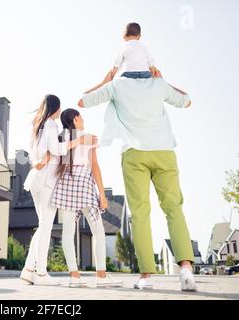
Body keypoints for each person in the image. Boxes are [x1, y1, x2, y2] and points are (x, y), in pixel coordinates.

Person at [78, 75, 198, 292]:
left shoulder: (115, 85)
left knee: (140, 213)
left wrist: (108, 76)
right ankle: (186, 269)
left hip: (134, 153)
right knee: (174, 209)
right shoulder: (159, 83)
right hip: (163, 151)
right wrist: (163, 79)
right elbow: (187, 100)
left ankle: (146, 277)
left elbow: (83, 100)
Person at [20, 94, 97, 286]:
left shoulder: (38, 125)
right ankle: (41, 273)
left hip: (36, 179)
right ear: (54, 108)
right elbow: (57, 149)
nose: (61, 111)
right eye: (60, 107)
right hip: (46, 181)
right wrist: (79, 141)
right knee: (46, 226)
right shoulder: (51, 125)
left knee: (42, 224)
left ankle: (29, 270)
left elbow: (40, 154)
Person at [51, 108, 124, 288]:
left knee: (67, 233)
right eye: (80, 116)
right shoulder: (88, 137)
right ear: (75, 119)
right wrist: (102, 194)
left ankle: (74, 277)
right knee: (97, 231)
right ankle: (101, 275)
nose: (83, 119)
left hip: (66, 184)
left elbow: (61, 162)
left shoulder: (61, 137)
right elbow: (95, 166)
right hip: (83, 183)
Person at [84, 22, 161, 94]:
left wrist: (106, 80)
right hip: (145, 75)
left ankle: (93, 91)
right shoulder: (144, 47)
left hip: (129, 75)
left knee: (118, 82)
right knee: (155, 77)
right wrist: (154, 75)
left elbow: (115, 66)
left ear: (124, 36)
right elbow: (151, 66)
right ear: (139, 36)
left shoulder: (123, 47)